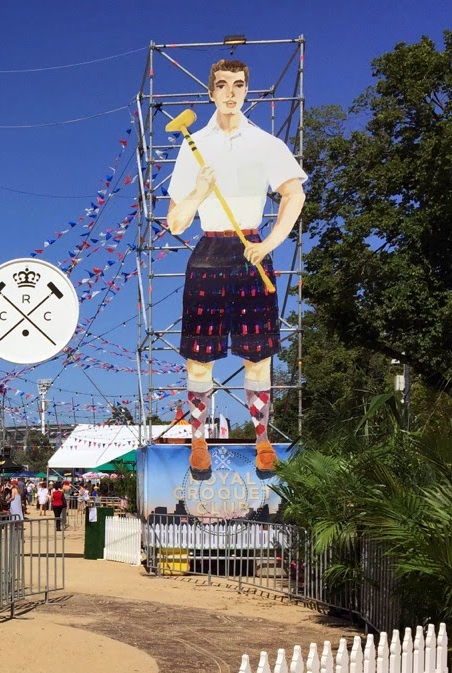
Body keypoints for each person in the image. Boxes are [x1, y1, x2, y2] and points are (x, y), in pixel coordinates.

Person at [164, 58, 307, 479]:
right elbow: (175, 223)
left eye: (238, 84)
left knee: (258, 356)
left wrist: (270, 243)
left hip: (251, 250)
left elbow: (294, 194)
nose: (230, 92)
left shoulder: (265, 143)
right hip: (208, 252)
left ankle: (263, 439)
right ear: (211, 92)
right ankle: (198, 441)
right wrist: (199, 192)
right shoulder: (193, 145)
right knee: (198, 359)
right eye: (223, 84)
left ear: (246, 90)